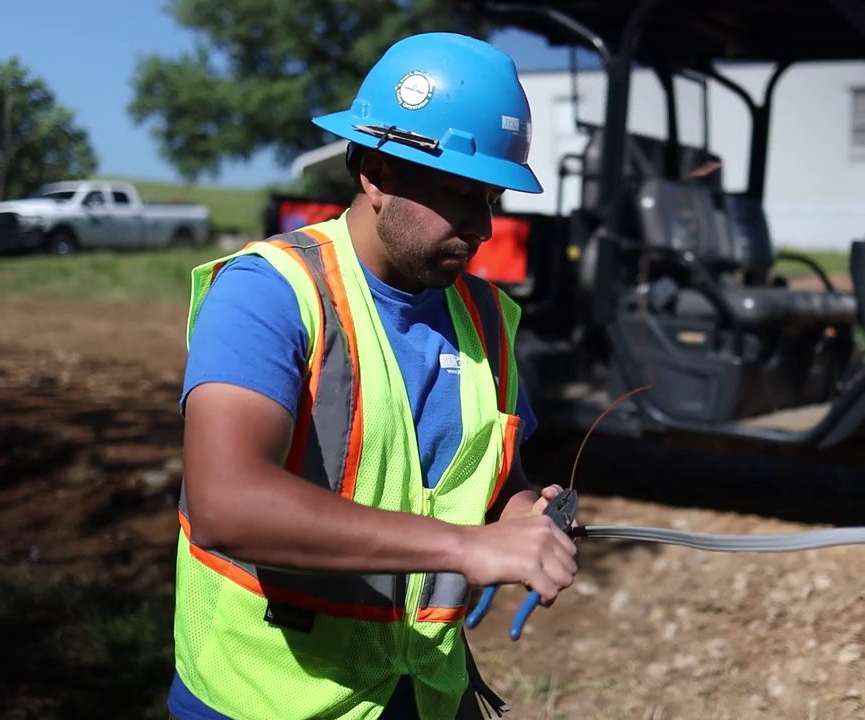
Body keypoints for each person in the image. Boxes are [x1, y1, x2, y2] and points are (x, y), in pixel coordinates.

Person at [166, 31, 579, 720]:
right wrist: (469, 548)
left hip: (420, 695)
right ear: (378, 173)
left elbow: (494, 480)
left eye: (494, 199)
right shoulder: (269, 293)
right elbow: (225, 505)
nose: (482, 225)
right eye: (461, 194)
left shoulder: (487, 317)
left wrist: (523, 519)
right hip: (262, 701)